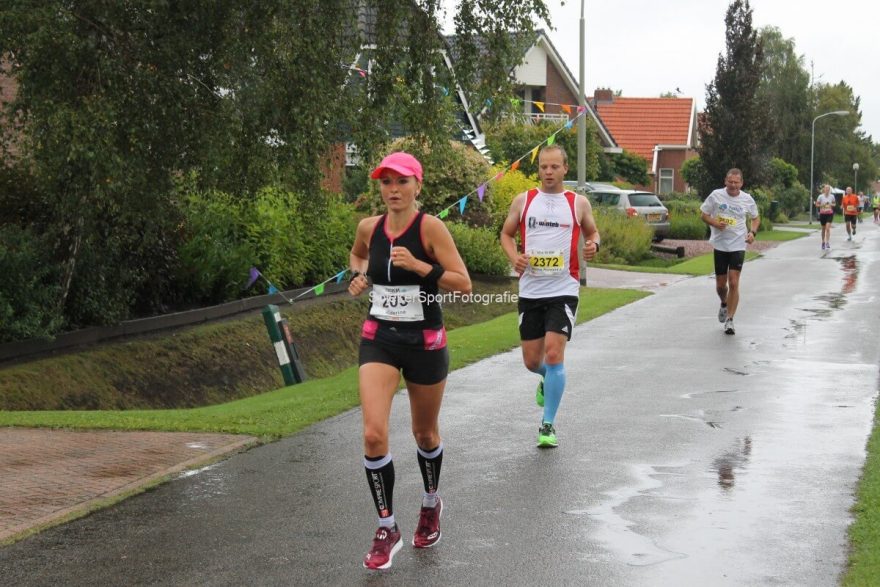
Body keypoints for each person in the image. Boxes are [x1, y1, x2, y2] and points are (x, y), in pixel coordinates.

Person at [348, 151, 472, 570]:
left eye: (402, 181)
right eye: (386, 182)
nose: (393, 190)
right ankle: (387, 526)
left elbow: (463, 284)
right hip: (379, 337)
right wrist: (358, 277)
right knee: (372, 435)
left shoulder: (430, 228)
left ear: (418, 185)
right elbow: (358, 255)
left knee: (424, 435)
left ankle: (431, 502)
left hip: (425, 341)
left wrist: (420, 266)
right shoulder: (370, 227)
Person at [500, 145, 600, 448]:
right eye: (544, 166)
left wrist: (594, 246)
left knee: (555, 354)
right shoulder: (524, 200)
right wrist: (513, 256)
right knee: (532, 362)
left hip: (563, 288)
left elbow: (593, 233)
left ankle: (548, 424)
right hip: (531, 290)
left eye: (554, 167)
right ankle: (548, 378)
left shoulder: (578, 203)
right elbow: (505, 234)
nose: (548, 172)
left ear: (565, 169)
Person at [700, 168, 760, 336]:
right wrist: (714, 223)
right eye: (730, 182)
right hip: (720, 245)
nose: (733, 185)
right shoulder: (716, 195)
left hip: (738, 245)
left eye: (736, 182)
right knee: (721, 286)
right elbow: (703, 215)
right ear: (725, 181)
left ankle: (730, 320)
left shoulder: (747, 199)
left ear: (741, 183)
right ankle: (724, 303)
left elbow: (756, 218)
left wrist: (752, 232)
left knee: (733, 282)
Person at [815, 184, 836, 250]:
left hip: (829, 214)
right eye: (826, 188)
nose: (827, 189)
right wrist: (821, 205)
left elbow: (834, 204)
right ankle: (823, 242)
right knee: (823, 229)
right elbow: (816, 204)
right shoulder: (820, 196)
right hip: (822, 214)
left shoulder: (832, 196)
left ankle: (827, 242)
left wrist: (831, 204)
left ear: (829, 190)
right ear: (824, 189)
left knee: (827, 228)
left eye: (828, 188)